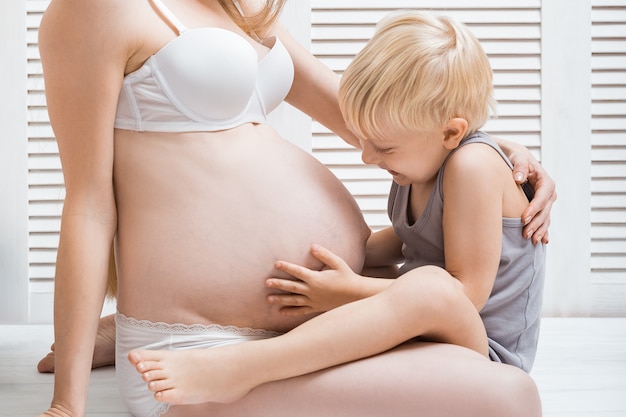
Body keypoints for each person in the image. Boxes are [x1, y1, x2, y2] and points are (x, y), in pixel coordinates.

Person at [36, 0, 554, 416]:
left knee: (505, 389)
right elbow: (88, 204)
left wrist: (494, 155)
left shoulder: (243, 10)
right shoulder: (97, 8)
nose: (369, 158)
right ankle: (177, 345)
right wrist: (67, 403)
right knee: (508, 398)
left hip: (314, 325)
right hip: (206, 342)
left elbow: (389, 119)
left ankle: (142, 336)